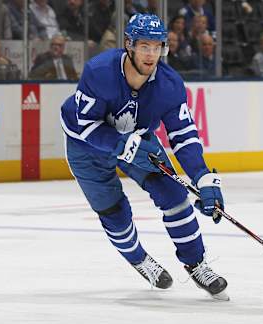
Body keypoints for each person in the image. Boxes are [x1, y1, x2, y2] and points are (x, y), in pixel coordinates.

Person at [59, 13, 228, 300]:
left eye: (157, 46)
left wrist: (203, 177)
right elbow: (86, 126)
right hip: (87, 148)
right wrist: (126, 146)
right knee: (114, 213)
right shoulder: (98, 72)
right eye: (144, 46)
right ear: (129, 44)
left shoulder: (170, 85)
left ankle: (196, 264)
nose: (151, 55)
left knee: (174, 196)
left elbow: (184, 135)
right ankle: (139, 260)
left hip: (137, 140)